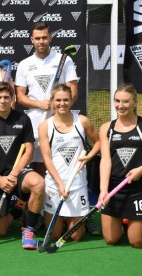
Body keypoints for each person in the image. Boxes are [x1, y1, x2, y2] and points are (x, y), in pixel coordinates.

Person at [0, 82, 45, 250]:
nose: (3, 101)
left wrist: (14, 174)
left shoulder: (22, 119)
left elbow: (29, 150)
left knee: (38, 183)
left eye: (6, 97)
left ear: (12, 99)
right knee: (1, 230)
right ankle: (18, 211)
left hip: (17, 173)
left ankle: (29, 229)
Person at [98, 83, 142, 248]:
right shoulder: (106, 128)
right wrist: (103, 190)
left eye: (125, 101)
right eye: (117, 101)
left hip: (137, 189)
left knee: (137, 242)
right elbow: (106, 160)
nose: (120, 106)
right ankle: (124, 223)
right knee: (111, 239)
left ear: (135, 102)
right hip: (114, 187)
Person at [15, 21, 79, 177]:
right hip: (35, 121)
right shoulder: (25, 64)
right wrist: (40, 104)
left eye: (44, 37)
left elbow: (74, 92)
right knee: (38, 163)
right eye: (37, 38)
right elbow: (20, 97)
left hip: (59, 120)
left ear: (50, 38)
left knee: (58, 159)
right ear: (32, 40)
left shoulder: (64, 60)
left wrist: (58, 108)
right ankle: (41, 198)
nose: (41, 41)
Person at [38, 84, 100, 242]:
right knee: (54, 235)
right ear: (52, 101)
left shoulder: (82, 121)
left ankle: (74, 218)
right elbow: (47, 158)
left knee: (76, 236)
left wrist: (89, 156)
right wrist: (59, 184)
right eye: (58, 100)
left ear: (71, 100)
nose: (62, 104)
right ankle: (61, 218)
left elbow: (99, 142)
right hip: (54, 184)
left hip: (77, 184)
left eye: (66, 100)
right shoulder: (45, 126)